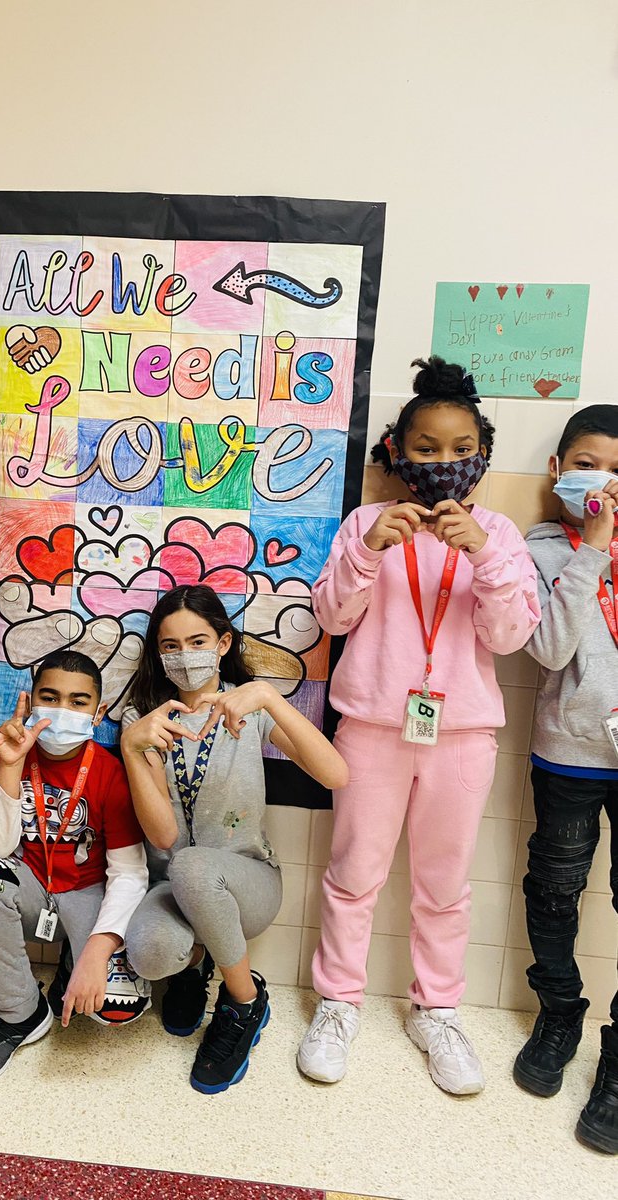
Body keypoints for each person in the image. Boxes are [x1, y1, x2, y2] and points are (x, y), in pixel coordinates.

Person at [298, 355, 541, 1095]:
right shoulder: (367, 522)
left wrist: (485, 557)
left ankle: (436, 1010)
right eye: (426, 448)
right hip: (369, 727)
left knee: (445, 884)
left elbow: (509, 637)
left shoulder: (499, 533)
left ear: (483, 456)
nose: (444, 462)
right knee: (353, 875)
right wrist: (371, 553)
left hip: (461, 734)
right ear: (398, 455)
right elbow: (330, 617)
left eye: (461, 449)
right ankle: (337, 1003)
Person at [120, 584, 348, 1095]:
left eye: (198, 641)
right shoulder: (144, 721)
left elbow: (335, 775)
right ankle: (194, 965)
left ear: (224, 644)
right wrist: (132, 750)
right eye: (170, 645)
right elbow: (162, 835)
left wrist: (267, 695)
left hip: (249, 886)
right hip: (175, 886)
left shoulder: (255, 709)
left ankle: (245, 1001)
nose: (184, 656)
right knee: (151, 952)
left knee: (195, 866)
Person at [0, 649, 150, 1086]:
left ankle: (71, 961)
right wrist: (9, 764)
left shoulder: (110, 771)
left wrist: (96, 955)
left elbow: (130, 873)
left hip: (87, 895)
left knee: (117, 1005)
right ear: (32, 701)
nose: (63, 711)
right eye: (51, 696)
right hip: (30, 886)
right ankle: (21, 1013)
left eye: (78, 702)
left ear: (98, 712)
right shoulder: (5, 751)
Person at [514, 405, 618, 1153]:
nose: (603, 480)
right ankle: (559, 1011)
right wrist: (596, 550)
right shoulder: (541, 548)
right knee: (553, 888)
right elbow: (548, 651)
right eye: (589, 463)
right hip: (569, 752)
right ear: (558, 470)